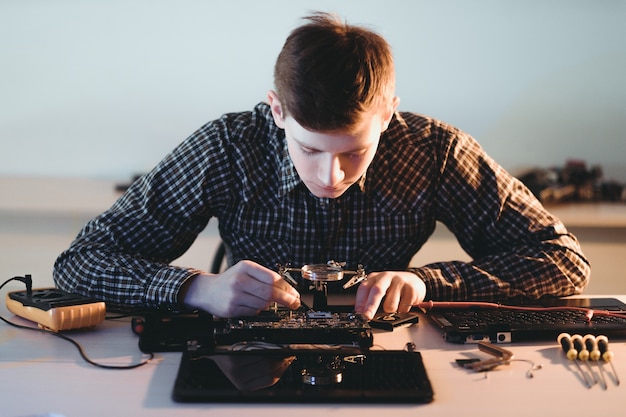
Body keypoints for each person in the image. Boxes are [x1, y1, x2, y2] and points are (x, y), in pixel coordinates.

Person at [53, 12, 590, 320]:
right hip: (247, 355)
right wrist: (199, 289)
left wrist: (428, 283)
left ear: (389, 114)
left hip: (383, 354)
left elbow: (564, 261)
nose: (331, 178)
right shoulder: (227, 146)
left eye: (354, 151)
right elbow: (80, 262)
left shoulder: (435, 150)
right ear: (277, 111)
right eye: (309, 150)